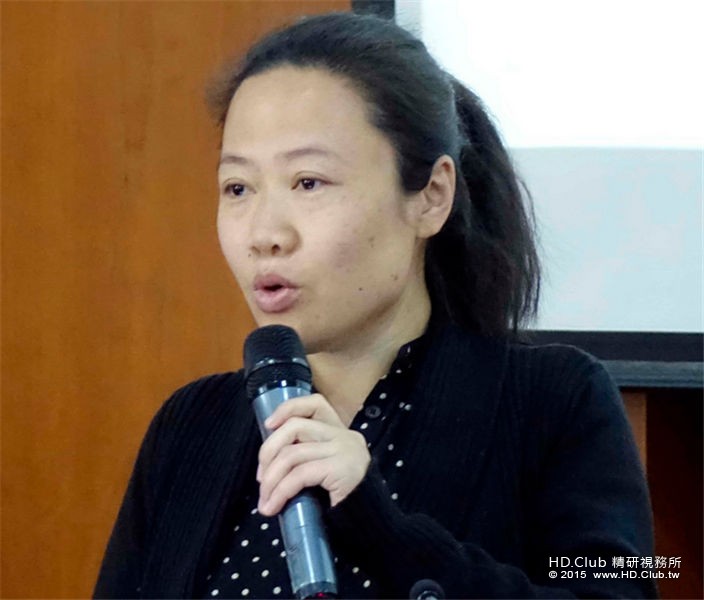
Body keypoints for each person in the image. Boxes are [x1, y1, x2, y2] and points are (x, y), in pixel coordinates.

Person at [94, 12, 656, 599]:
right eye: (238, 188)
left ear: (431, 196)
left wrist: (382, 527)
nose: (264, 234)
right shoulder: (191, 427)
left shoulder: (557, 401)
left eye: (308, 182)